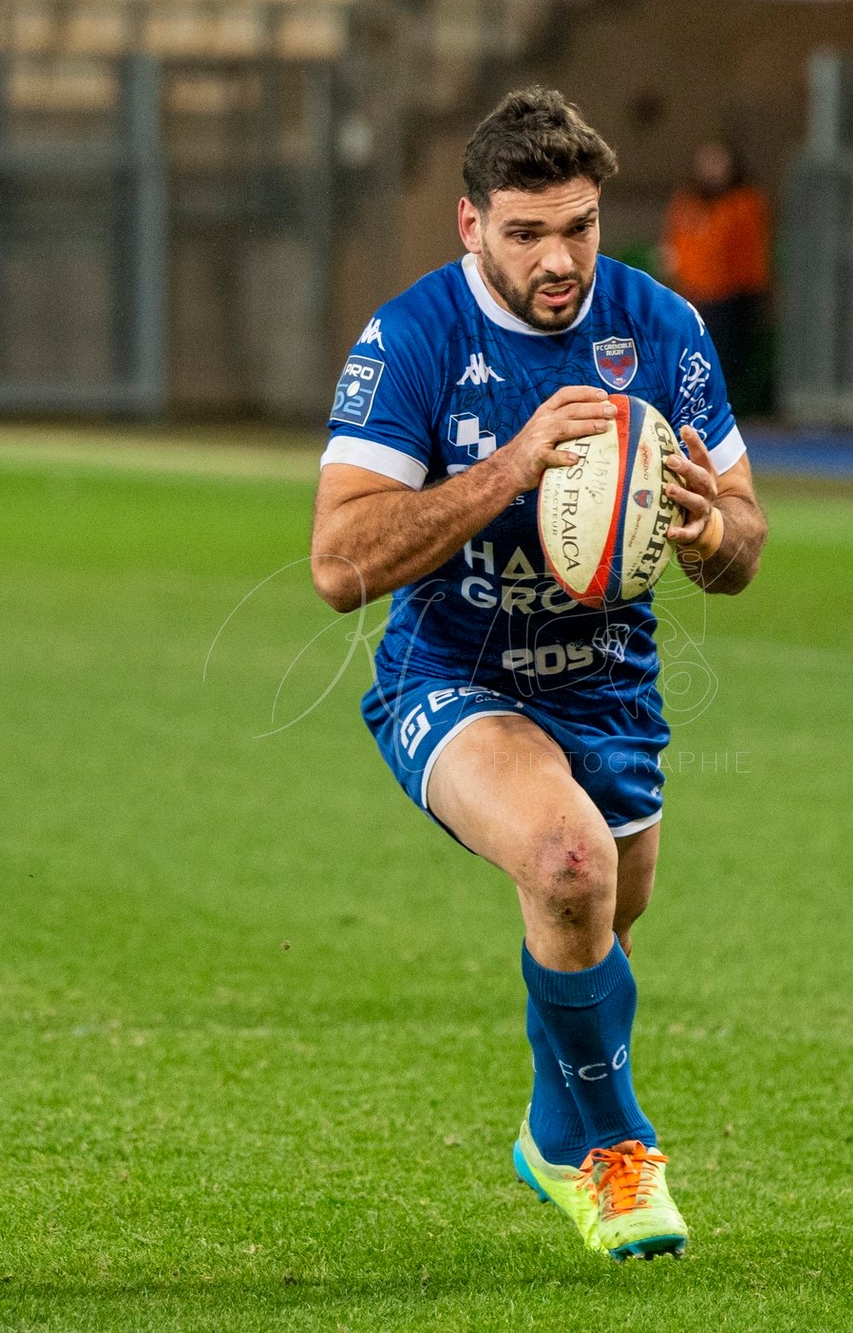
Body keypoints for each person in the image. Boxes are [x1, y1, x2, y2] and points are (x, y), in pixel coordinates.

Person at [310, 87, 767, 1261]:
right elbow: (338, 564)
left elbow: (745, 540)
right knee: (566, 866)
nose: (558, 260)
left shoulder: (660, 327)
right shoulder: (411, 339)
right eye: (525, 234)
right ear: (469, 225)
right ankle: (616, 1156)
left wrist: (709, 534)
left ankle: (549, 1135)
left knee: (593, 918)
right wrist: (507, 470)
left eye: (579, 227)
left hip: (608, 683)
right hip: (448, 672)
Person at [660, 141, 771, 418]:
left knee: (729, 357)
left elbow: (740, 249)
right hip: (693, 294)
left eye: (718, 163)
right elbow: (676, 243)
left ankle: (725, 411)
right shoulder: (686, 202)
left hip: (733, 295)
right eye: (707, 163)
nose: (711, 171)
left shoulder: (744, 202)